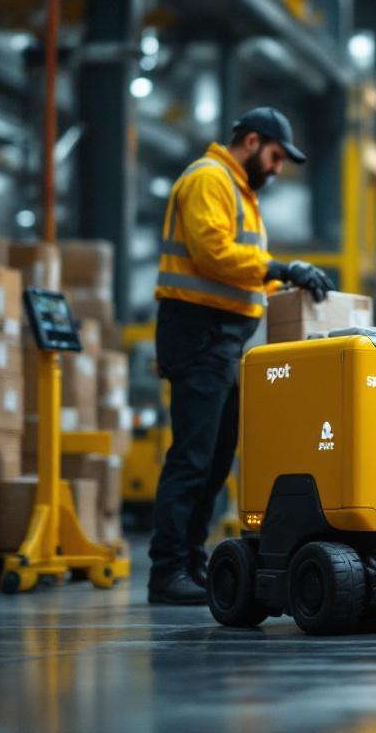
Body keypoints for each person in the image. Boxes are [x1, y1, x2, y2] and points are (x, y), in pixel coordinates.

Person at [148, 107, 334, 605]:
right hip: (198, 332)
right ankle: (167, 571)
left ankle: (191, 563)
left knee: (213, 460)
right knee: (191, 457)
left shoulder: (241, 192)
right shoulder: (210, 179)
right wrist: (282, 267)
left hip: (225, 339)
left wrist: (281, 274)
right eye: (274, 157)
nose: (276, 168)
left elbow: (238, 264)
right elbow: (213, 253)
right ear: (252, 142)